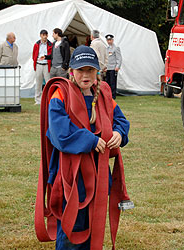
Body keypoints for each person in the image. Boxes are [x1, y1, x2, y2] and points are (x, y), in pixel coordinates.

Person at [35, 45, 133, 249]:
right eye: (80, 70)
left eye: (90, 70)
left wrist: (118, 133)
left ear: (98, 72)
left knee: (94, 227)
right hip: (69, 177)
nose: (85, 75)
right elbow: (59, 134)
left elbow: (121, 121)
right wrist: (90, 140)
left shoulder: (104, 95)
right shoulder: (60, 95)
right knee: (72, 228)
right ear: (72, 71)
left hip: (98, 174)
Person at [32, 29, 53, 105]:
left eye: (45, 35)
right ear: (40, 36)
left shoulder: (50, 44)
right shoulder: (37, 44)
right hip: (39, 64)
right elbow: (34, 54)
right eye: (43, 35)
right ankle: (38, 100)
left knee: (48, 82)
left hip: (47, 65)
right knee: (38, 83)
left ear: (47, 36)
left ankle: (49, 99)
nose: (44, 37)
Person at [105, 34, 122, 99]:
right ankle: (108, 95)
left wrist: (118, 66)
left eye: (110, 40)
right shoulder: (107, 48)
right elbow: (107, 59)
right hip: (108, 68)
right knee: (108, 82)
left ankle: (113, 95)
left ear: (112, 40)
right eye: (108, 40)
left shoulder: (116, 48)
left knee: (113, 82)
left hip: (113, 68)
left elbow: (119, 58)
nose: (109, 41)